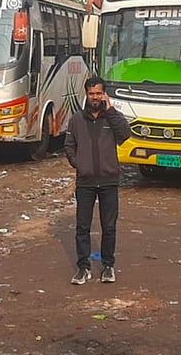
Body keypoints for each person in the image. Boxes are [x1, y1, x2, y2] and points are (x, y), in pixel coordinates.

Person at [64, 75, 130, 285]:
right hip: (85, 182)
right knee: (82, 227)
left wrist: (110, 111)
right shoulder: (76, 120)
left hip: (109, 181)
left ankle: (108, 266)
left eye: (98, 93)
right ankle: (83, 268)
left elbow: (125, 134)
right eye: (91, 93)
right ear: (86, 94)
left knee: (108, 227)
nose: (95, 97)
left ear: (104, 94)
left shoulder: (112, 118)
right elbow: (69, 146)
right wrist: (79, 164)